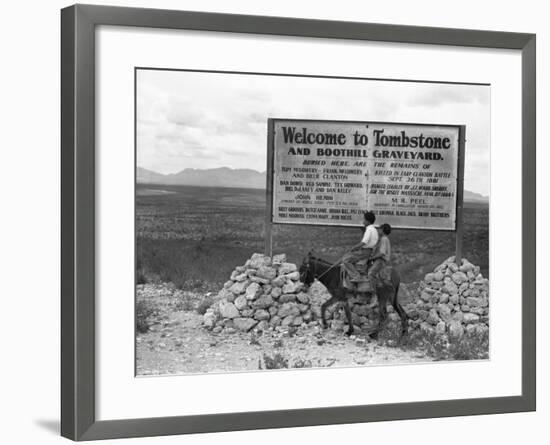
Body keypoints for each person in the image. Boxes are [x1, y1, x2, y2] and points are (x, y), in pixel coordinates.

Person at [341, 211, 378, 282]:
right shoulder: (375, 230)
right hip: (369, 251)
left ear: (368, 221)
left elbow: (364, 242)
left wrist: (354, 247)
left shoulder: (369, 229)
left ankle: (356, 276)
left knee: (345, 259)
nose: (363, 221)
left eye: (364, 219)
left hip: (364, 252)